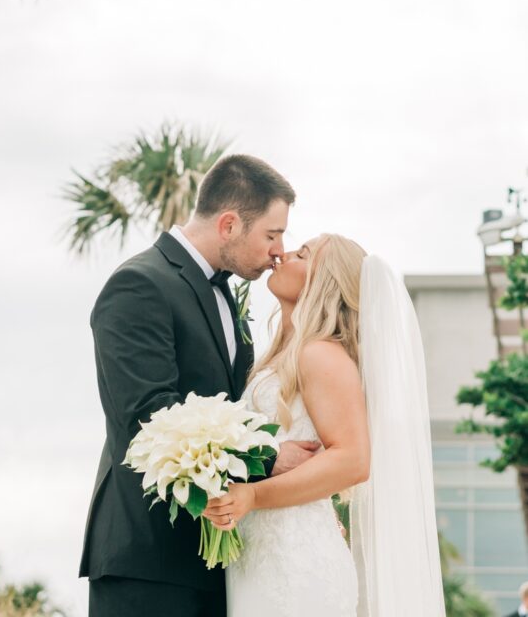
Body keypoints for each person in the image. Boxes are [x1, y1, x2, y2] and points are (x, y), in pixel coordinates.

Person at [80, 154, 315, 617]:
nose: (278, 250)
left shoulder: (228, 292)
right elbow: (149, 416)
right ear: (228, 224)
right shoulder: (138, 285)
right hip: (148, 560)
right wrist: (269, 454)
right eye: (271, 234)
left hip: (218, 561)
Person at [205, 234, 446, 617]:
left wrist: (253, 497)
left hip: (295, 559)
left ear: (323, 283)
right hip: (262, 553)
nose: (282, 253)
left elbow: (353, 460)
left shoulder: (320, 355)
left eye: (303, 254)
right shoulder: (281, 356)